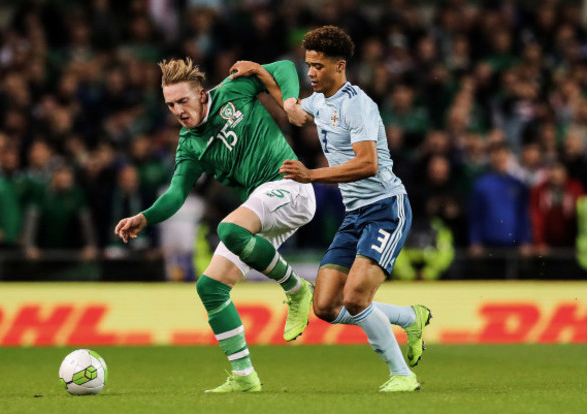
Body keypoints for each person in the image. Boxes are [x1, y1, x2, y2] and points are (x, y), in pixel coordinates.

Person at [115, 58, 316, 393]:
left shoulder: (233, 90)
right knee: (210, 287)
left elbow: (282, 67)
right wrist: (144, 217)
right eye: (170, 105)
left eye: (183, 101)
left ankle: (296, 289)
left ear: (202, 95)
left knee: (228, 229)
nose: (178, 110)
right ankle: (244, 376)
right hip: (263, 206)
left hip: (291, 185)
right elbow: (177, 194)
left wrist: (290, 101)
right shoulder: (190, 145)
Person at [276, 26, 431, 392]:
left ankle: (402, 376)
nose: (310, 73)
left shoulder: (356, 104)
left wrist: (312, 174)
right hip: (354, 214)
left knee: (357, 297)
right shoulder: (320, 102)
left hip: (385, 208)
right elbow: (295, 109)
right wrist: (266, 82)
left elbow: (368, 164)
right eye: (307, 65)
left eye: (317, 66)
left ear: (340, 66)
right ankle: (411, 318)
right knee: (326, 305)